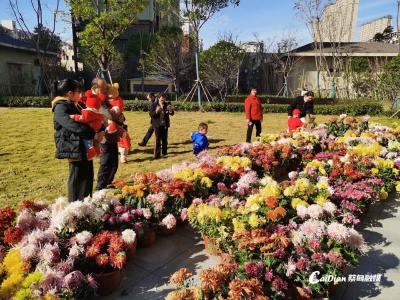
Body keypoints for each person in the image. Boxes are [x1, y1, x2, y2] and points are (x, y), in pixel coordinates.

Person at [51, 79, 104, 202]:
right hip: (73, 146)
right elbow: (72, 125)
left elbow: (91, 117)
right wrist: (93, 134)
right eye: (78, 91)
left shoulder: (76, 104)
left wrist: (101, 129)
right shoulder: (60, 107)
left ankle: (86, 204)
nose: (80, 94)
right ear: (69, 93)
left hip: (83, 145)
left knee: (87, 176)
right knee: (77, 178)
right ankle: (75, 207)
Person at [93, 78, 121, 190]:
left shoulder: (105, 99)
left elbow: (113, 114)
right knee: (105, 161)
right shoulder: (94, 101)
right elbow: (105, 115)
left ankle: (109, 181)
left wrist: (119, 117)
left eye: (106, 87)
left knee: (114, 161)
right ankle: (101, 186)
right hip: (103, 135)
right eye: (103, 87)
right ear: (95, 89)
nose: (106, 89)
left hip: (112, 134)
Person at [70, 90, 105, 160]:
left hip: (91, 127)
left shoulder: (88, 112)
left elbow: (83, 118)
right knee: (95, 141)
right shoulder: (97, 111)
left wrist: (74, 117)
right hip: (97, 128)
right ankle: (98, 151)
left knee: (87, 140)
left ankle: (90, 150)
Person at [150, 93, 174, 159]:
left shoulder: (167, 105)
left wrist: (171, 110)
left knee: (164, 139)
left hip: (165, 124)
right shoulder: (154, 105)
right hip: (157, 124)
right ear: (158, 98)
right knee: (158, 140)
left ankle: (164, 152)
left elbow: (172, 113)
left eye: (164, 98)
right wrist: (156, 111)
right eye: (161, 97)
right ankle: (157, 155)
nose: (163, 99)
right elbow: (151, 114)